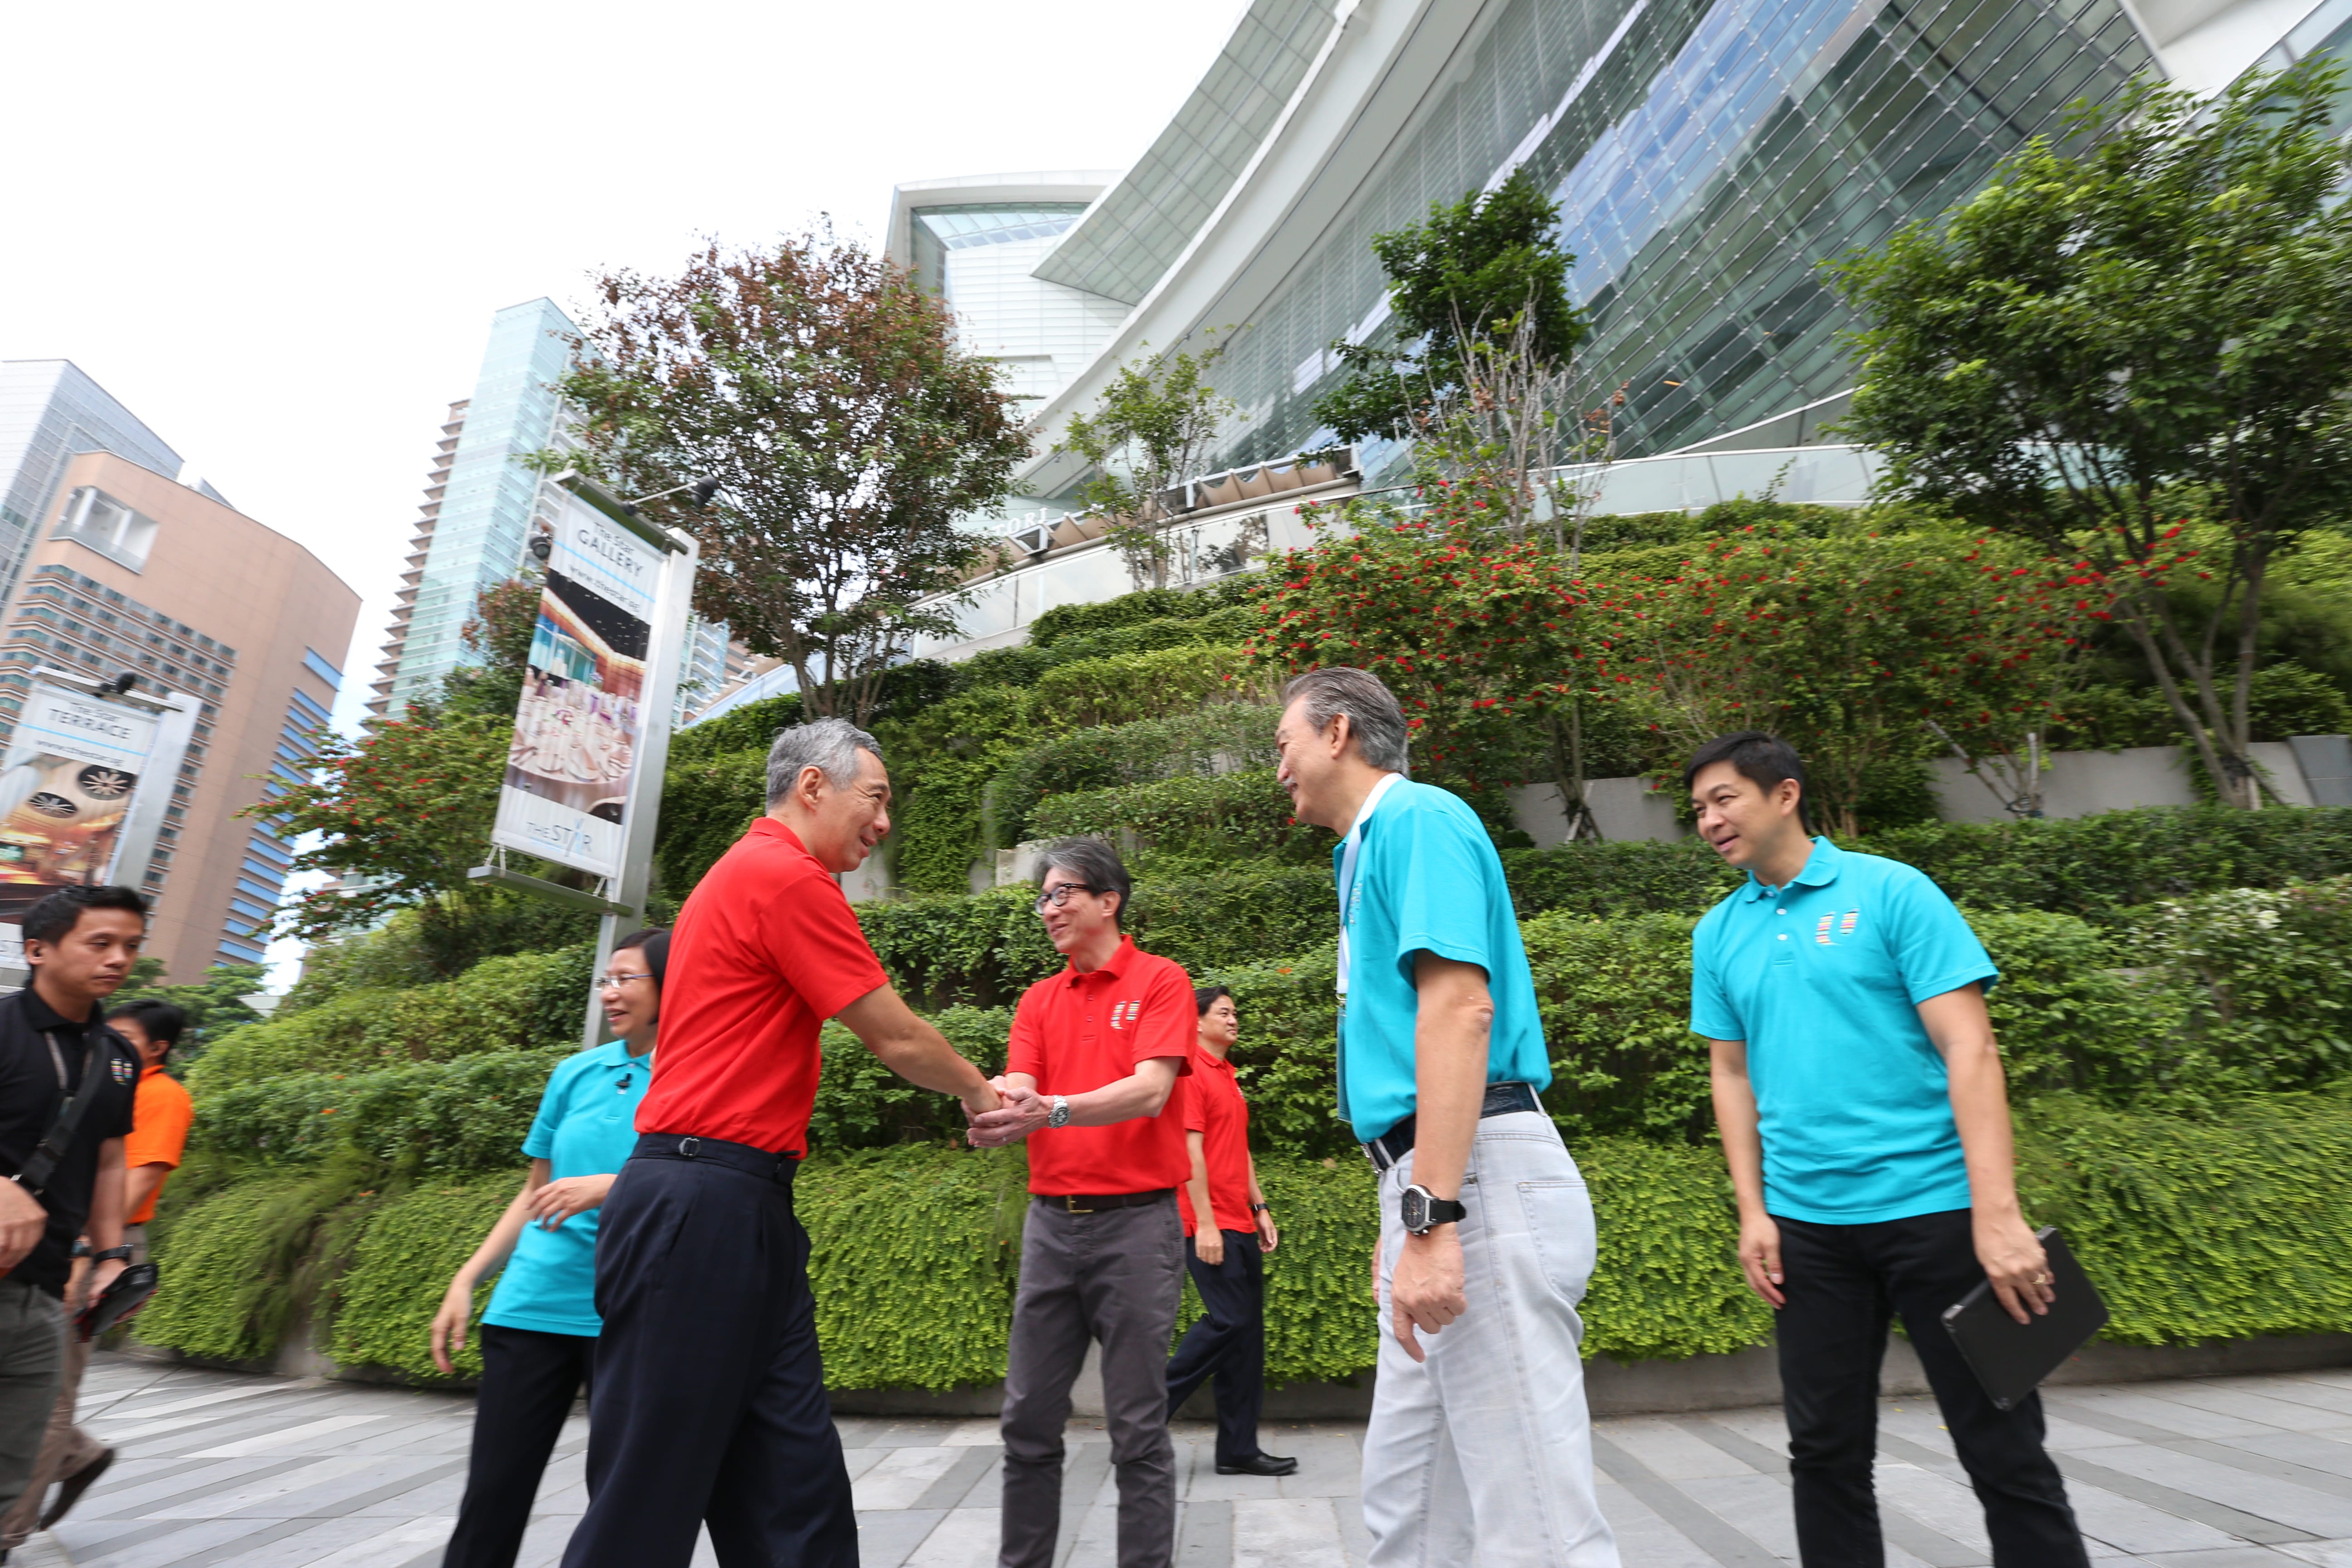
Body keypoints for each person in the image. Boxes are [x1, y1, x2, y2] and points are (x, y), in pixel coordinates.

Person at [561, 720, 1001, 1568]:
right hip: (700, 1207)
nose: (882, 824)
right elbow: (896, 1037)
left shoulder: (743, 876)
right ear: (811, 788)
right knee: (644, 1501)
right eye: (873, 799)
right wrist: (981, 1091)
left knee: (790, 1490)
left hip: (741, 1204)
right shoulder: (780, 876)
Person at [1686, 732, 2087, 1566]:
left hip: (1936, 1213)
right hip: (1807, 1232)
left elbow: (1969, 1049)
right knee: (1824, 1454)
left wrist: (1997, 1217)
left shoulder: (1891, 893)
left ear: (1785, 794)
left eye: (1723, 798)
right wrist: (1753, 1211)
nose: (1708, 820)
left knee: (2002, 1447)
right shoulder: (1717, 933)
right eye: (1696, 810)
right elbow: (1730, 1074)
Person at [1271, 667, 1618, 1568]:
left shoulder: (1418, 821)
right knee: (1411, 1507)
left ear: (1338, 732)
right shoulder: (1368, 848)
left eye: (1285, 745)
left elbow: (1461, 1011)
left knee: (1536, 1520)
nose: (1280, 771)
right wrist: (1407, 1207)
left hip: (1470, 1179)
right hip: (1437, 1177)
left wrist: (1432, 1213)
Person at [965, 837, 1196, 1568]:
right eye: (1043, 897)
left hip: (1139, 1229)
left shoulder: (1161, 982)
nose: (1049, 909)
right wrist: (998, 1107)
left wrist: (1051, 1110)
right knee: (1027, 1420)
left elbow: (1151, 1090)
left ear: (1108, 900)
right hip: (1051, 1229)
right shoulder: (1038, 999)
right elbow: (1022, 1082)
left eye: (1063, 893)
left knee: (1136, 1426)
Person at [429, 929, 669, 1568]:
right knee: (492, 1500)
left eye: (628, 979)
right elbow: (535, 1192)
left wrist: (615, 1187)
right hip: (530, 1306)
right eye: (607, 980)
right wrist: (469, 1278)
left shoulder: (693, 1077)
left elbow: (701, 1183)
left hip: (626, 1313)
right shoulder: (576, 1072)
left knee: (620, 1504)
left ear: (670, 985)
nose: (611, 993)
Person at [0, 997, 191, 1552]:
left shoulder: (161, 1094)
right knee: (32, 1383)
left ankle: (10, 1529)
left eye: (126, 1039)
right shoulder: (78, 1065)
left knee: (52, 1390)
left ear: (157, 1049)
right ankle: (80, 1456)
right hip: (52, 1234)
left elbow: (134, 1177)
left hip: (92, 1242)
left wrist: (94, 1250)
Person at [0, 887, 145, 1534]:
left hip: (47, 1290)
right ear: (37, 950)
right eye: (101, 943)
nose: (119, 959)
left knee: (13, 1467)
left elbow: (110, 1161)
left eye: (131, 947)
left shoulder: (118, 1058)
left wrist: (112, 1254)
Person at [1163, 985, 1292, 1478]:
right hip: (1207, 1220)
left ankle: (1238, 1449)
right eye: (1224, 1012)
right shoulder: (1191, 1072)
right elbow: (1189, 1153)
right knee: (1229, 1320)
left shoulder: (1228, 1077)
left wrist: (1259, 1206)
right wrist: (1207, 1225)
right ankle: (1145, 1413)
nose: (1235, 1019)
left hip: (1238, 1218)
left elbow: (1236, 1149)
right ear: (1195, 1022)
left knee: (1246, 1339)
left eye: (1237, 1012)